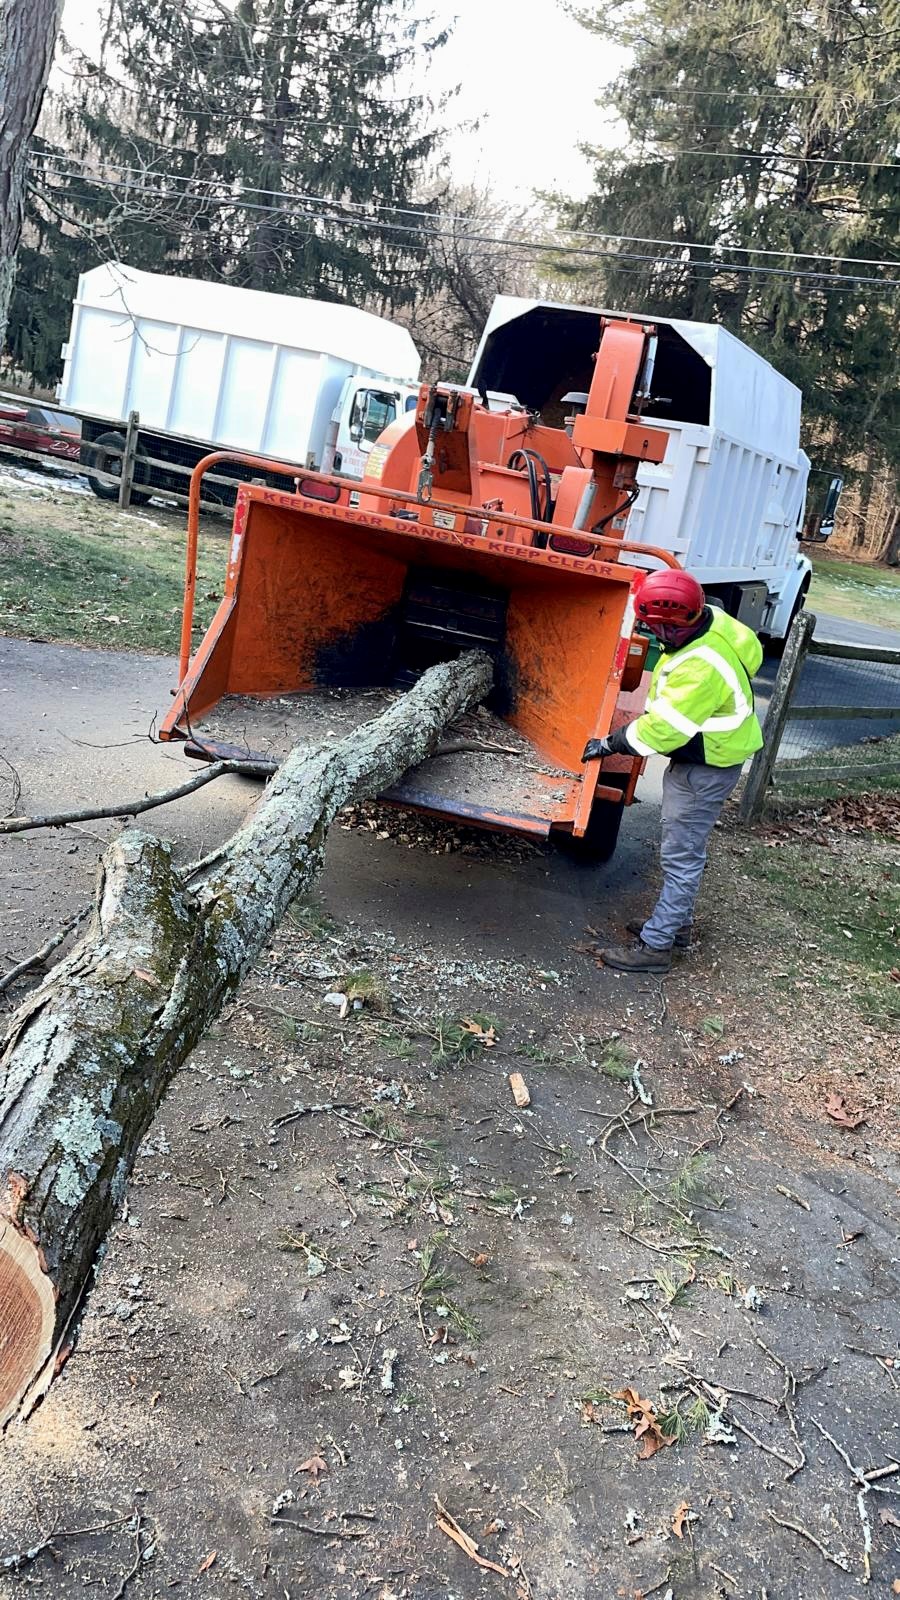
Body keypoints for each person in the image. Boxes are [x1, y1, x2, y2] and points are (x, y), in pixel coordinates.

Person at [582, 569, 764, 974]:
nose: (655, 634)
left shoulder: (699, 668)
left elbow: (660, 732)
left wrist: (609, 743)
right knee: (686, 851)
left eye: (658, 628)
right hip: (713, 758)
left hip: (705, 767)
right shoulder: (713, 622)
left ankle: (656, 947)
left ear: (675, 623)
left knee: (681, 855)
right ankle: (674, 924)